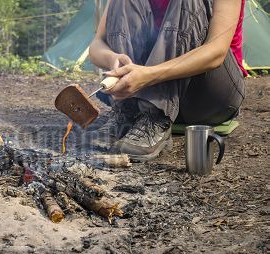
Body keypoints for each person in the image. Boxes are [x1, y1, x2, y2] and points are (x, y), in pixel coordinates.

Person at [89, 0, 246, 161]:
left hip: (210, 95)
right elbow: (96, 44)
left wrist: (149, 75)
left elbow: (217, 52)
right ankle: (128, 112)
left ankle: (156, 115)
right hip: (141, 99)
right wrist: (113, 59)